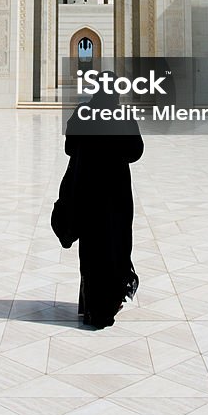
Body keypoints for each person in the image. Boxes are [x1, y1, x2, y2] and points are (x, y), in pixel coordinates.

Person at [56, 75, 144, 329]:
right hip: (116, 195)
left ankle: (90, 307)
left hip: (87, 190)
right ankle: (107, 307)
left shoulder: (82, 113)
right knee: (116, 247)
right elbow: (135, 152)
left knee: (92, 250)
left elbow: (69, 147)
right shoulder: (122, 116)